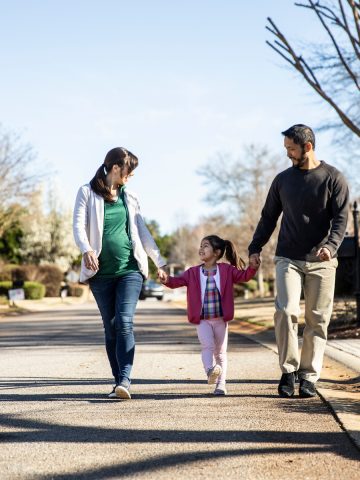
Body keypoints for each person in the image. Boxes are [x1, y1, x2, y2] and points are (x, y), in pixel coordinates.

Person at [248, 124, 349, 398]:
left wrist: (331, 246)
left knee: (317, 318)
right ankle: (289, 370)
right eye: (286, 149)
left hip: (322, 259)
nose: (288, 154)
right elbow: (269, 217)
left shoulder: (333, 178)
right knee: (285, 310)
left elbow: (341, 219)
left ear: (307, 147)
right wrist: (255, 247)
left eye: (291, 149)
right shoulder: (282, 180)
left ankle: (309, 375)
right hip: (288, 257)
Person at [73, 147, 167, 400]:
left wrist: (159, 261)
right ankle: (118, 383)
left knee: (124, 321)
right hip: (100, 273)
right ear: (116, 168)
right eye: (129, 170)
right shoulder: (87, 192)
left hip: (130, 269)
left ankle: (125, 377)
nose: (131, 176)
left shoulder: (131, 197)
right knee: (110, 327)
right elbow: (78, 226)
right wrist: (86, 249)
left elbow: (142, 231)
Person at [158, 235, 258, 395]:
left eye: (205, 246)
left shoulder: (226, 270)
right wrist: (166, 279)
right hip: (202, 320)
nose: (201, 249)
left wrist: (252, 268)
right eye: (200, 246)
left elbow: (244, 276)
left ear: (217, 252)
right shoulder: (192, 272)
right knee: (207, 347)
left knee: (220, 353)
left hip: (220, 320)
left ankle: (221, 385)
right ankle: (210, 371)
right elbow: (176, 282)